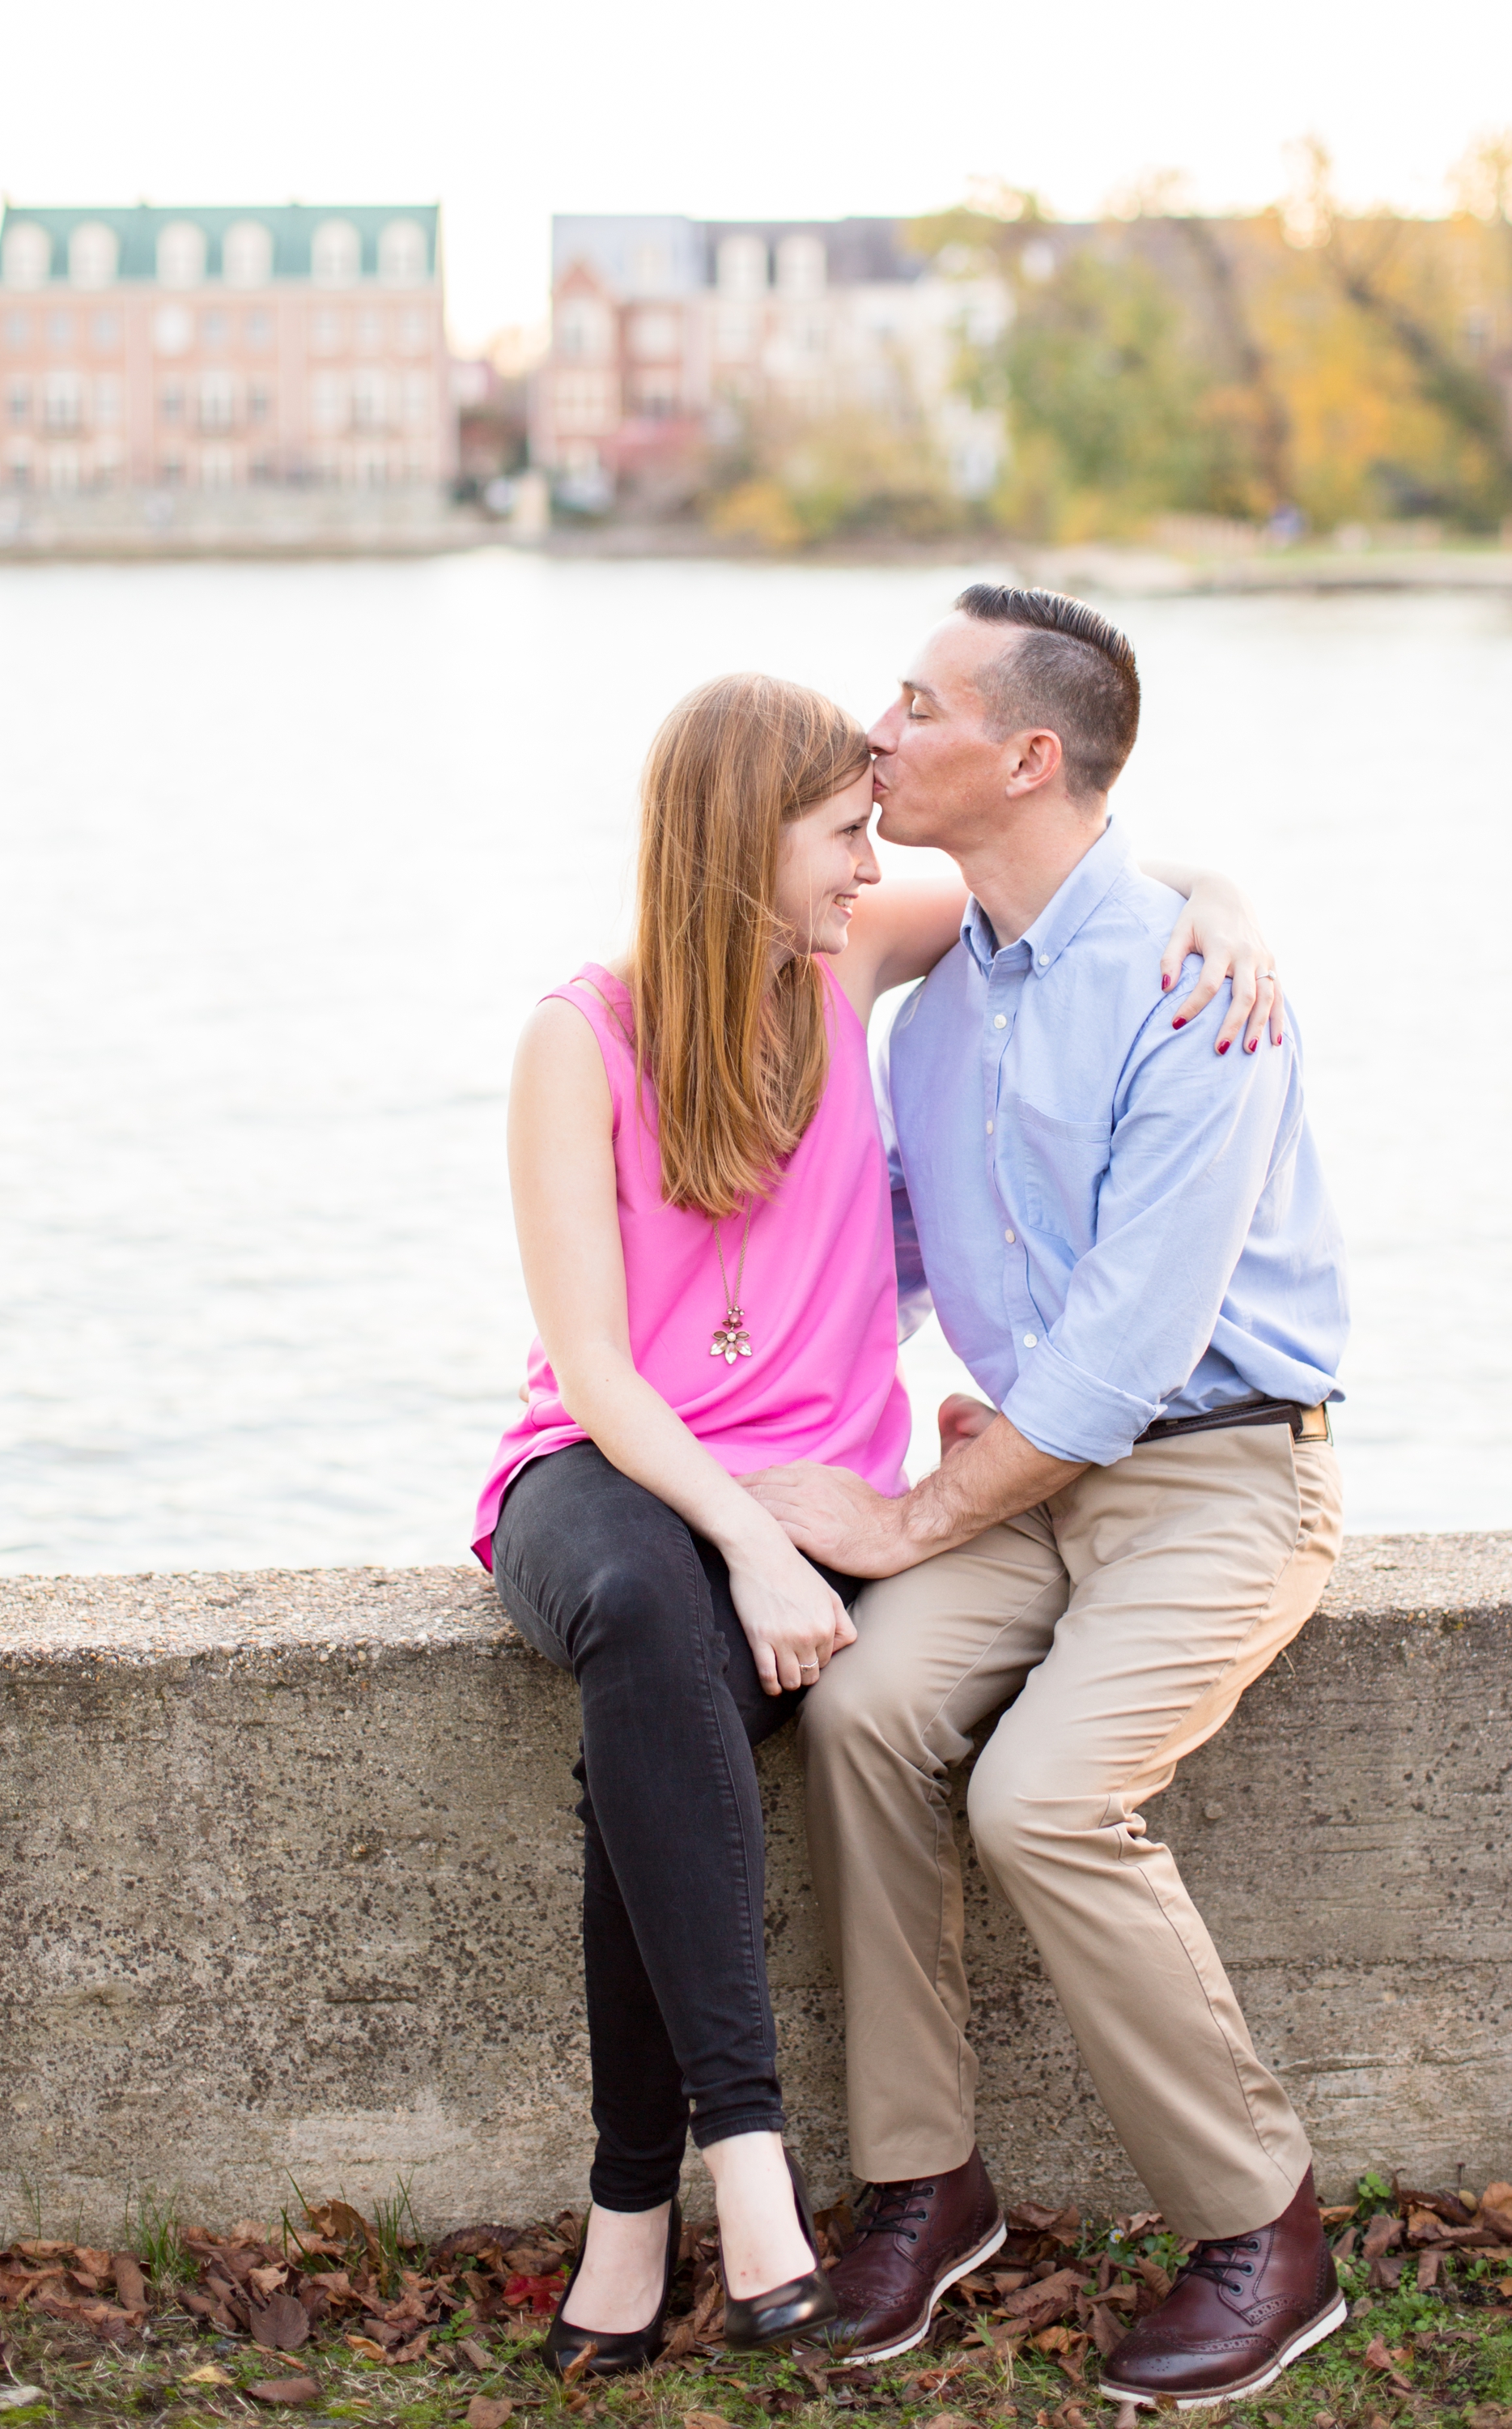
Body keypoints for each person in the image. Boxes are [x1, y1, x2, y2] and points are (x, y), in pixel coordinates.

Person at [473, 666, 1281, 2376]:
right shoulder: (580, 1031)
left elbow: (1071, 887)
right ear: (735, 842)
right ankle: (747, 2169)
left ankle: (630, 2224)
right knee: (644, 1611)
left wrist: (1229, 903)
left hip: (812, 1477)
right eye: (841, 833)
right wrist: (757, 1543)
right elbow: (598, 1373)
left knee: (665, 1707)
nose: (867, 861)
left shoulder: (847, 951)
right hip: (616, 1465)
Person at [745, 587, 1349, 2408]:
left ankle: (1266, 2233)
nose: (875, 732)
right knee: (855, 1708)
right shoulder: (936, 1007)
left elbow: (1125, 1355)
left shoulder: (1189, 979)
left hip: (1223, 1473)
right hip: (1022, 1478)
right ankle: (927, 2187)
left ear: (1023, 755)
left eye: (913, 706)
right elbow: (894, 1265)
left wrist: (914, 1524)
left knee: (1044, 1798)